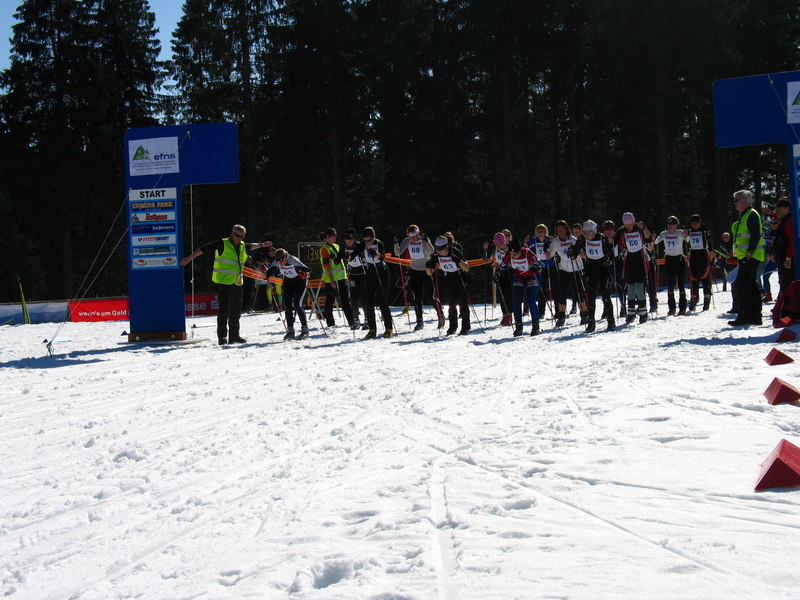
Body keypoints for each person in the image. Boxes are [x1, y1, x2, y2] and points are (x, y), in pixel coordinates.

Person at [179, 224, 271, 344]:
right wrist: (188, 258)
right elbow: (204, 249)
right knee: (223, 310)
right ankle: (222, 337)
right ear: (232, 233)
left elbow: (251, 246)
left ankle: (234, 336)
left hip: (237, 282)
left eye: (242, 236)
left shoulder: (242, 245)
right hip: (223, 282)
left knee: (236, 311)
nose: (239, 238)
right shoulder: (222, 243)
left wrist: (262, 245)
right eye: (237, 235)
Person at [350, 226, 394, 338]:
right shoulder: (363, 244)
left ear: (373, 237)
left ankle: (389, 328)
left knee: (382, 301)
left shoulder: (379, 244)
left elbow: (383, 258)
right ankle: (372, 329)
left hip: (382, 273)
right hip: (370, 273)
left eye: (369, 240)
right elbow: (353, 255)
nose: (367, 243)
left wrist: (375, 254)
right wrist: (347, 257)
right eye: (365, 241)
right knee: (368, 302)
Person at [729, 190, 765, 326]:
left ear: (745, 200)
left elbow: (755, 235)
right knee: (750, 286)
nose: (734, 203)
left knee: (741, 286)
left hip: (750, 257)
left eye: (736, 200)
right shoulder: (745, 215)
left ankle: (744, 316)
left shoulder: (751, 214)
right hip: (746, 256)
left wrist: (749, 253)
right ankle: (755, 316)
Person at [427, 233, 471, 335]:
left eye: (441, 249)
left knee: (462, 303)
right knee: (451, 303)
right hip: (448, 278)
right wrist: (428, 265)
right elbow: (429, 273)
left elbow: (466, 268)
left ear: (446, 247)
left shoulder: (454, 251)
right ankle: (452, 327)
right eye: (437, 249)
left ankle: (466, 327)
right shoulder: (437, 255)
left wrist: (458, 260)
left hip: (461, 277)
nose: (439, 251)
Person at [575, 220, 615, 332]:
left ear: (593, 231)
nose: (585, 235)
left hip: (603, 269)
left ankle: (611, 321)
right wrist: (572, 253)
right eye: (584, 232)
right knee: (591, 297)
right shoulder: (582, 239)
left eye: (587, 233)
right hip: (590, 270)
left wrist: (609, 261)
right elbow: (575, 251)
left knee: (605, 296)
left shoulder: (602, 238)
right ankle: (591, 322)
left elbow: (611, 255)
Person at [395, 224, 435, 330]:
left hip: (426, 270)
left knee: (431, 296)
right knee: (417, 297)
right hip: (414, 270)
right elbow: (398, 252)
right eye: (411, 236)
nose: (413, 238)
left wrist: (427, 241)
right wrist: (396, 243)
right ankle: (419, 321)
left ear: (418, 233)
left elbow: (432, 251)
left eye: (415, 236)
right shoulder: (407, 241)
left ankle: (440, 316)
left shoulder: (423, 240)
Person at [614, 212, 651, 324]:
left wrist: (644, 228)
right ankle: (630, 313)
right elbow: (615, 243)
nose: (629, 227)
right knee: (630, 288)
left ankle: (643, 313)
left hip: (640, 262)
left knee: (639, 288)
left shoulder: (639, 228)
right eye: (626, 225)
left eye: (630, 225)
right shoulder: (621, 231)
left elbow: (648, 238)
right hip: (628, 262)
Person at [500, 238, 541, 336]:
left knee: (530, 299)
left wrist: (536, 267)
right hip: (519, 277)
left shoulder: (527, 252)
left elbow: (540, 264)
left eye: (515, 254)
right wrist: (497, 274)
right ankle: (518, 327)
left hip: (532, 276)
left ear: (520, 250)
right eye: (511, 254)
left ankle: (535, 326)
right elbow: (501, 267)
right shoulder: (508, 256)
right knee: (516, 301)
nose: (513, 256)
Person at [267, 248, 311, 339]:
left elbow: (308, 270)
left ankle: (305, 330)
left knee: (297, 304)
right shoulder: (277, 261)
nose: (280, 263)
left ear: (286, 257)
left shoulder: (294, 260)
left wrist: (305, 274)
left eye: (281, 261)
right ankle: (290, 330)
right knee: (287, 306)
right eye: (278, 261)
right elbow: (269, 272)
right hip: (288, 282)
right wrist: (266, 275)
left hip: (299, 282)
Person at [551, 220, 587, 327]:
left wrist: (576, 252)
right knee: (562, 293)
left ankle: (584, 314)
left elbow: (584, 255)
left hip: (576, 268)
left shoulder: (573, 240)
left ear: (567, 229)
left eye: (562, 230)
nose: (561, 232)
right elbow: (549, 254)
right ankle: (561, 316)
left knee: (579, 293)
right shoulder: (556, 242)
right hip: (564, 269)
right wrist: (547, 250)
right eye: (559, 230)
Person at [319, 227, 353, 328]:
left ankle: (351, 321)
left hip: (341, 277)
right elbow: (326, 266)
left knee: (345, 300)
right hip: (331, 279)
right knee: (330, 300)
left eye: (336, 235)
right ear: (328, 237)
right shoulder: (324, 249)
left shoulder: (337, 246)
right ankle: (330, 323)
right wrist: (332, 281)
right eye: (333, 235)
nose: (336, 237)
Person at [655, 216, 687, 315]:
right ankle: (671, 307)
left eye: (672, 224)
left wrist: (687, 235)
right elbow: (656, 241)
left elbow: (688, 240)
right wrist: (653, 238)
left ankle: (682, 307)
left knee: (681, 283)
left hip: (679, 258)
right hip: (669, 259)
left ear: (676, 225)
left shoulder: (680, 232)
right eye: (669, 224)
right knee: (670, 283)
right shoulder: (664, 234)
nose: (670, 226)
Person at [529, 224, 558, 322]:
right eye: (538, 231)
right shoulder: (533, 241)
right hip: (540, 268)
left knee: (554, 288)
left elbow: (556, 250)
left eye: (542, 231)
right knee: (541, 289)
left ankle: (558, 311)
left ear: (546, 232)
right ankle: (541, 311)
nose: (540, 233)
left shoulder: (550, 240)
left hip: (551, 266)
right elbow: (529, 253)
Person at [484, 232, 513, 326]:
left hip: (509, 272)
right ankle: (504, 315)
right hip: (499, 272)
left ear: (503, 242)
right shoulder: (494, 248)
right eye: (495, 243)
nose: (497, 245)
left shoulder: (509, 248)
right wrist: (485, 249)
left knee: (508, 295)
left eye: (498, 243)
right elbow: (485, 258)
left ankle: (510, 315)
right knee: (501, 295)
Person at [342, 228, 366, 329]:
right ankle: (355, 320)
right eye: (347, 241)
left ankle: (367, 319)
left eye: (351, 240)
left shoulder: (360, 245)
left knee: (363, 298)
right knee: (353, 298)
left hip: (362, 274)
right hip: (352, 274)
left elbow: (366, 259)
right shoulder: (343, 247)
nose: (349, 243)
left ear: (354, 239)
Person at [773, 198, 795, 296]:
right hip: (783, 259)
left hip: (788, 261)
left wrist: (788, 257)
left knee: (788, 285)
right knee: (784, 285)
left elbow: (792, 241)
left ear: (787, 208)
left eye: (779, 209)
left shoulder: (789, 221)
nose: (776, 212)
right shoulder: (785, 221)